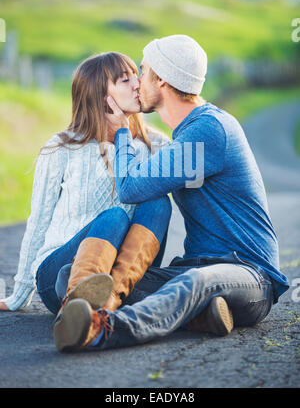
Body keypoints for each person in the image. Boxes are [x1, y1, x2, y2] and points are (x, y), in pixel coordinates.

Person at [52, 34, 289, 353]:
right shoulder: (186, 135)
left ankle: (102, 329)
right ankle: (200, 316)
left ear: (160, 79)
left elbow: (131, 187)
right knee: (75, 277)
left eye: (142, 69)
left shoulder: (209, 130)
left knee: (196, 283)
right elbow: (144, 178)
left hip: (249, 274)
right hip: (192, 265)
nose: (136, 79)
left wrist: (122, 131)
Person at [0, 52, 172, 317]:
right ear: (101, 96)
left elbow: (196, 188)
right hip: (57, 269)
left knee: (158, 204)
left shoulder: (156, 146)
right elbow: (39, 221)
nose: (138, 84)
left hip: (121, 274)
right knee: (113, 217)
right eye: (125, 80)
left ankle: (106, 302)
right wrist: (19, 295)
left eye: (135, 76)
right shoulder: (62, 147)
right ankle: (79, 300)